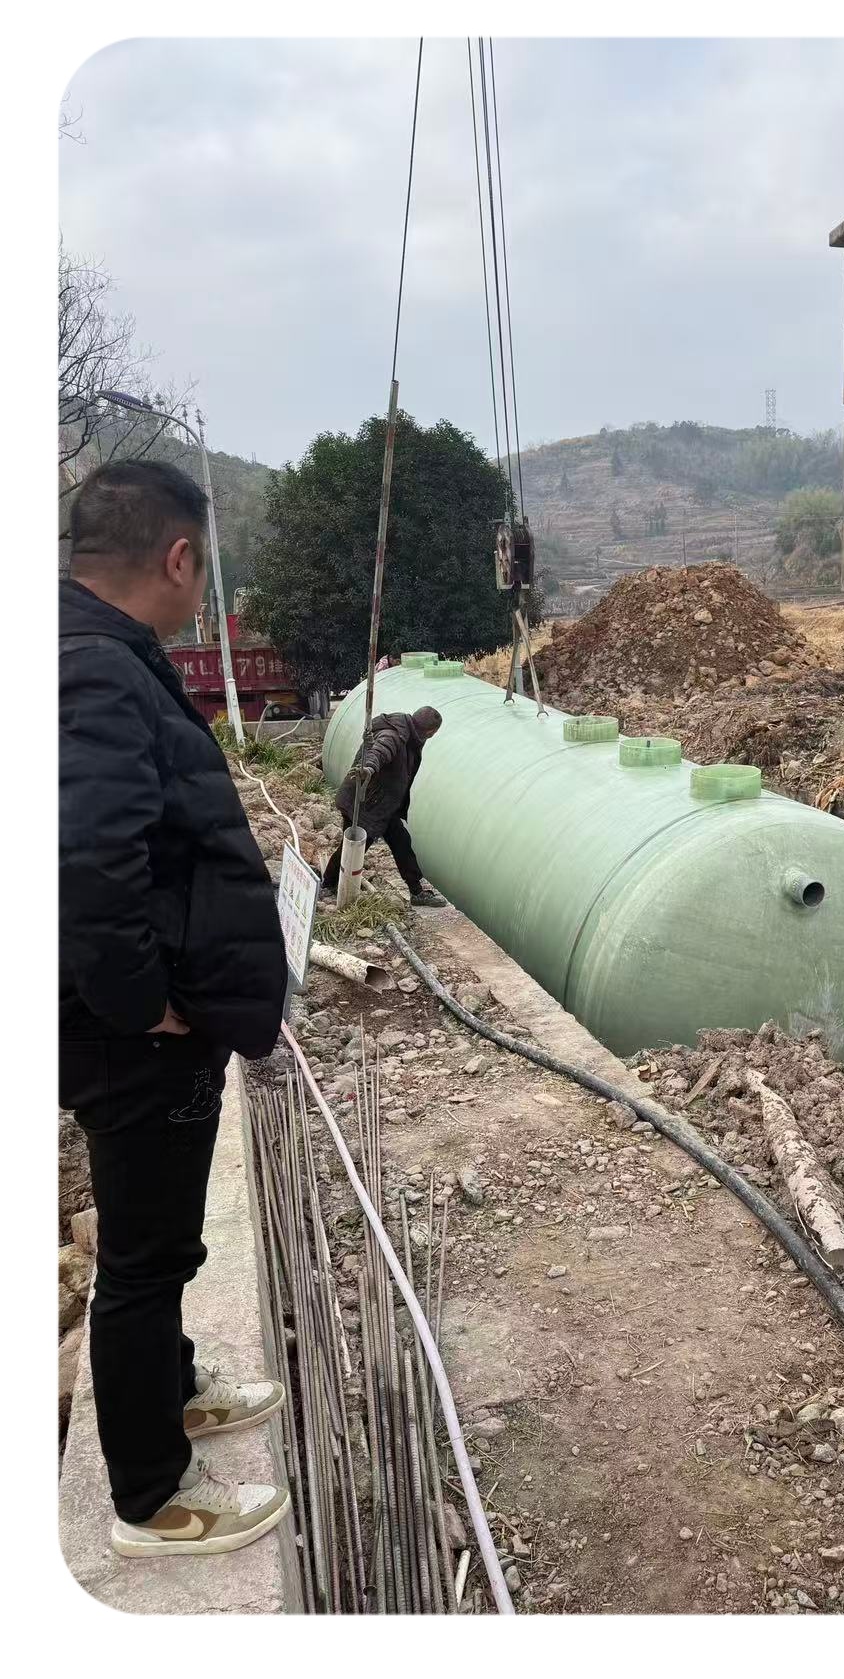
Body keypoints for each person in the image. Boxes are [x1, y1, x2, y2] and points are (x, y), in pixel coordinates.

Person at [60, 459, 291, 1559]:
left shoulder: (92, 653)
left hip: (139, 1030)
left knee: (164, 1241)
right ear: (179, 556)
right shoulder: (96, 670)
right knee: (145, 1261)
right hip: (134, 1041)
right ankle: (150, 1499)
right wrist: (144, 1004)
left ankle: (176, 1388)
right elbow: (89, 861)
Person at [322, 705, 447, 907]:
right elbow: (380, 751)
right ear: (431, 732)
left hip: (381, 804)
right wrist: (369, 768)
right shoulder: (394, 735)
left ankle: (416, 891)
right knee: (353, 848)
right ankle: (328, 884)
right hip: (365, 803)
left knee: (401, 842)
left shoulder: (407, 734)